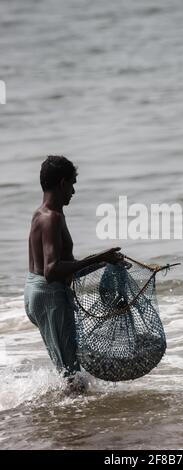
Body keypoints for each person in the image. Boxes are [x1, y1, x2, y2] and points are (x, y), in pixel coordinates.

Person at [24, 155, 123, 392]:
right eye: (72, 184)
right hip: (50, 297)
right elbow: (52, 270)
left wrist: (105, 262)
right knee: (72, 377)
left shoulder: (41, 214)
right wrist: (99, 257)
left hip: (36, 293)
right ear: (62, 183)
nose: (74, 192)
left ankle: (67, 418)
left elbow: (62, 267)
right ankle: (74, 426)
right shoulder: (52, 218)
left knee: (67, 371)